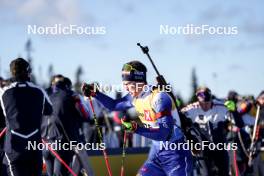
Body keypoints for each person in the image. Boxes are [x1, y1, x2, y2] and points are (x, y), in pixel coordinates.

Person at [82, 60, 193, 176]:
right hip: (156, 152)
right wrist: (95, 94)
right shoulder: (135, 97)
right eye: (124, 85)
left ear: (139, 81)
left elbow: (164, 133)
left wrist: (136, 129)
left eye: (128, 84)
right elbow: (114, 105)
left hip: (176, 154)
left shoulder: (159, 98)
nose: (126, 89)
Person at [0, 58, 53, 176]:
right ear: (27, 72)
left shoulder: (4, 92)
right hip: (33, 146)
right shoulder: (39, 91)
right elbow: (49, 110)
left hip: (14, 147)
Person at [41, 76, 94, 176]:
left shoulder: (46, 94)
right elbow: (86, 115)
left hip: (45, 143)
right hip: (62, 142)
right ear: (68, 86)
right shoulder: (70, 94)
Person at [181, 87, 230, 176]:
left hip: (219, 145)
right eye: (202, 103)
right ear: (198, 101)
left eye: (208, 103)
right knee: (206, 174)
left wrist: (233, 114)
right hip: (203, 147)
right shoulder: (192, 108)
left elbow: (234, 121)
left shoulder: (221, 107)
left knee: (224, 172)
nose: (205, 106)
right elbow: (179, 117)